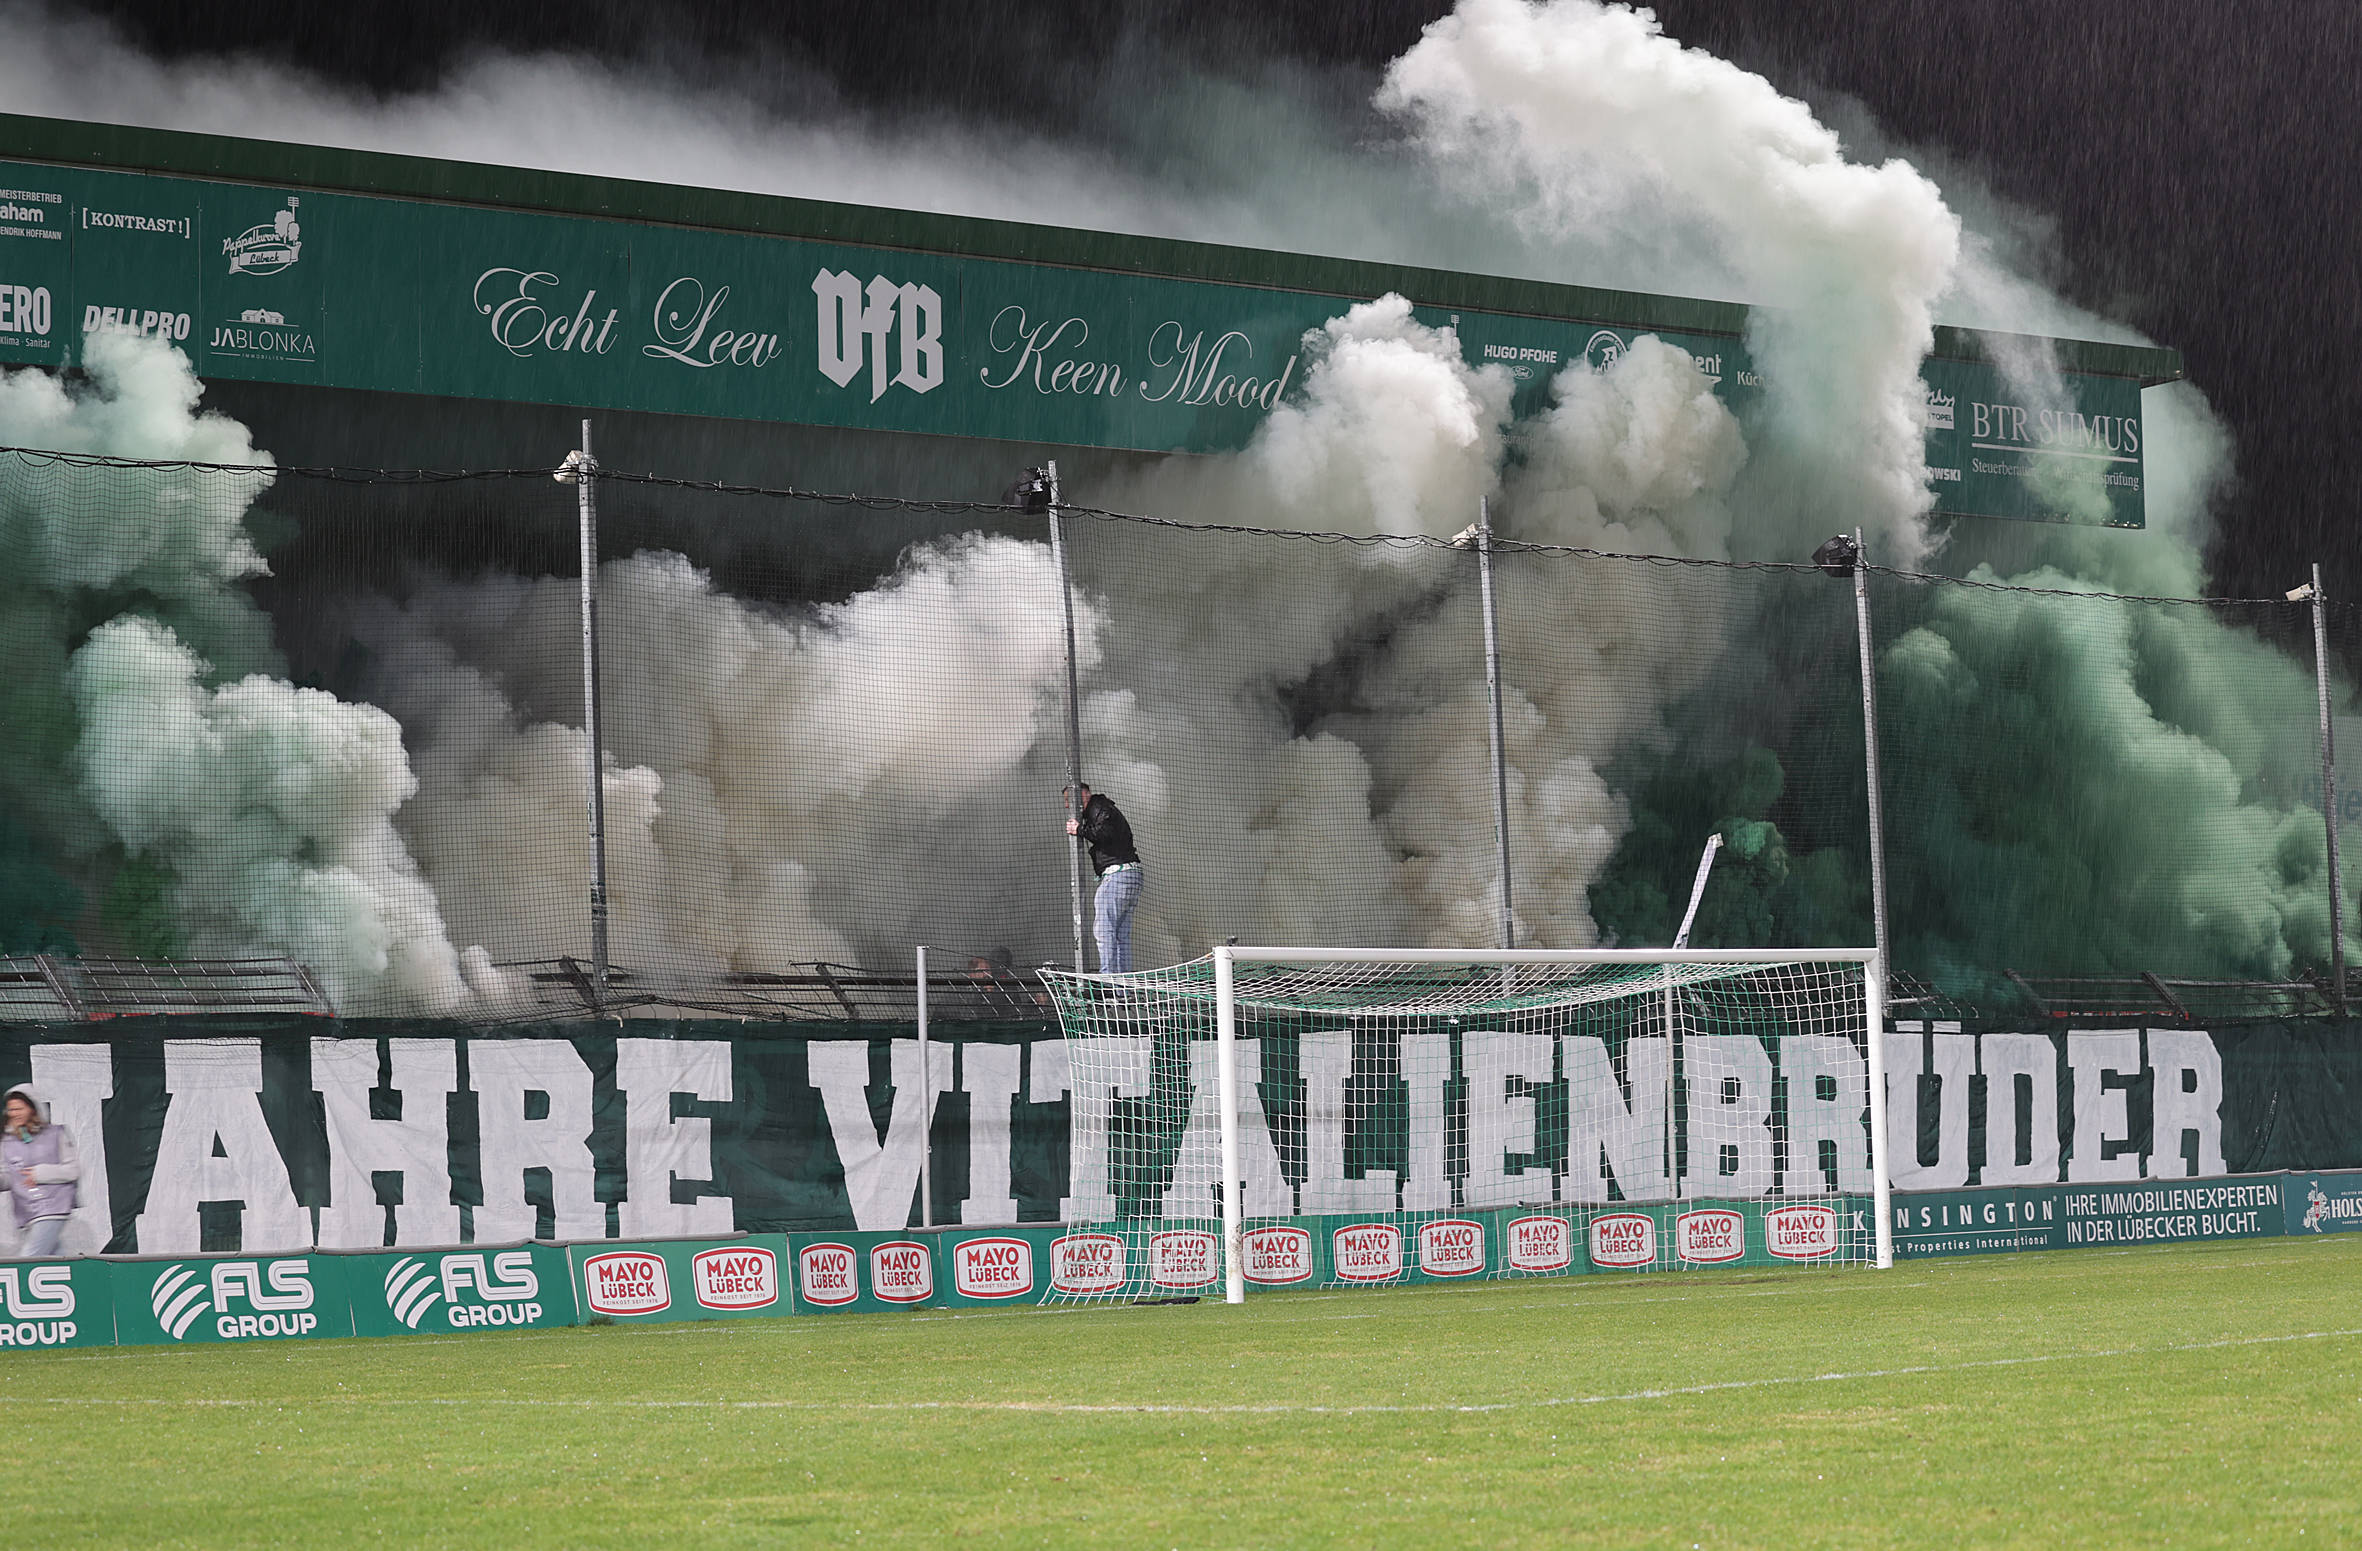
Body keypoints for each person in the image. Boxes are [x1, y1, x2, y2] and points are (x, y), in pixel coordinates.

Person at [1065, 782, 1143, 972]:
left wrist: (1079, 830)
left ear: (1084, 795)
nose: (1067, 805)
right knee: (1120, 935)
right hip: (1130, 875)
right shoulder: (1102, 807)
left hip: (1118, 875)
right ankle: (1122, 987)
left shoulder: (1098, 807)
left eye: (1069, 800)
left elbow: (1104, 832)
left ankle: (1108, 979)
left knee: (1104, 930)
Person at [3, 1083, 79, 1259]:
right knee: (53, 1259)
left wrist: (41, 1173)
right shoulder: (8, 1142)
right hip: (27, 1212)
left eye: (19, 1109)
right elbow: (9, 1177)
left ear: (32, 1108)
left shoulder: (56, 1134)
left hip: (54, 1207)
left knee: (29, 1259)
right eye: (11, 1109)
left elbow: (73, 1170)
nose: (14, 1113)